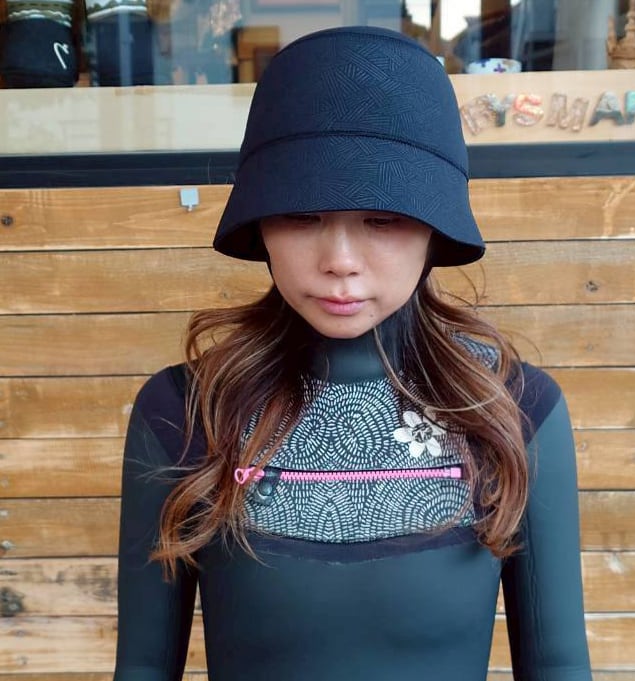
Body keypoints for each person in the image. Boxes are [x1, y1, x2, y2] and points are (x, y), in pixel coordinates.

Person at [113, 25, 592, 681]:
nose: (339, 260)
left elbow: (559, 664)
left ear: (435, 226)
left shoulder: (513, 410)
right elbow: (141, 668)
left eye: (382, 218)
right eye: (301, 214)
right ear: (260, 221)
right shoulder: (187, 411)